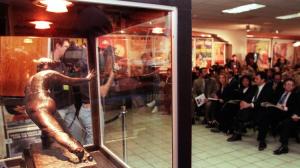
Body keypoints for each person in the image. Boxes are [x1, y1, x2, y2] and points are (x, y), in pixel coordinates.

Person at [24, 58, 95, 163]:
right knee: (58, 129)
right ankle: (75, 147)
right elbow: (70, 81)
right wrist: (87, 79)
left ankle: (76, 148)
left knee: (53, 129)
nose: (55, 68)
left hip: (37, 105)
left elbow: (27, 97)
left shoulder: (30, 80)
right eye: (53, 65)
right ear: (46, 66)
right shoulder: (48, 73)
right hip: (43, 104)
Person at [227, 72, 273, 146]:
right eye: (255, 78)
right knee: (239, 110)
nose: (255, 80)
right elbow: (248, 96)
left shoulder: (268, 89)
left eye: (257, 78)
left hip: (262, 108)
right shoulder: (254, 87)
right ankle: (237, 134)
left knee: (264, 116)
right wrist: (243, 102)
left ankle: (262, 140)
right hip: (252, 107)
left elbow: (263, 102)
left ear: (263, 80)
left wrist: (249, 105)